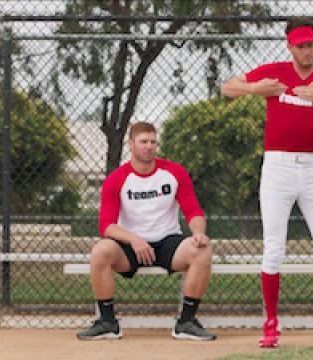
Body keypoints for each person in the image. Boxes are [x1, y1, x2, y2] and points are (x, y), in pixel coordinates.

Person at [221, 17, 313, 347]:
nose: (307, 51)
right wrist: (256, 89)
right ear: (290, 47)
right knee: (274, 247)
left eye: (311, 44)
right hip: (277, 166)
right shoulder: (276, 72)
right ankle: (271, 324)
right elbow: (227, 88)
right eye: (301, 46)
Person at [77, 121, 216, 341]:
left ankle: (186, 322)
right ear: (130, 144)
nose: (149, 146)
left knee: (202, 250)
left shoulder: (174, 172)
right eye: (143, 142)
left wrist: (198, 232)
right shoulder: (117, 179)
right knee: (100, 251)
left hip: (167, 242)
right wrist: (134, 239)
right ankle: (107, 323)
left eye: (153, 142)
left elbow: (193, 211)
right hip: (129, 246)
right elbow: (107, 226)